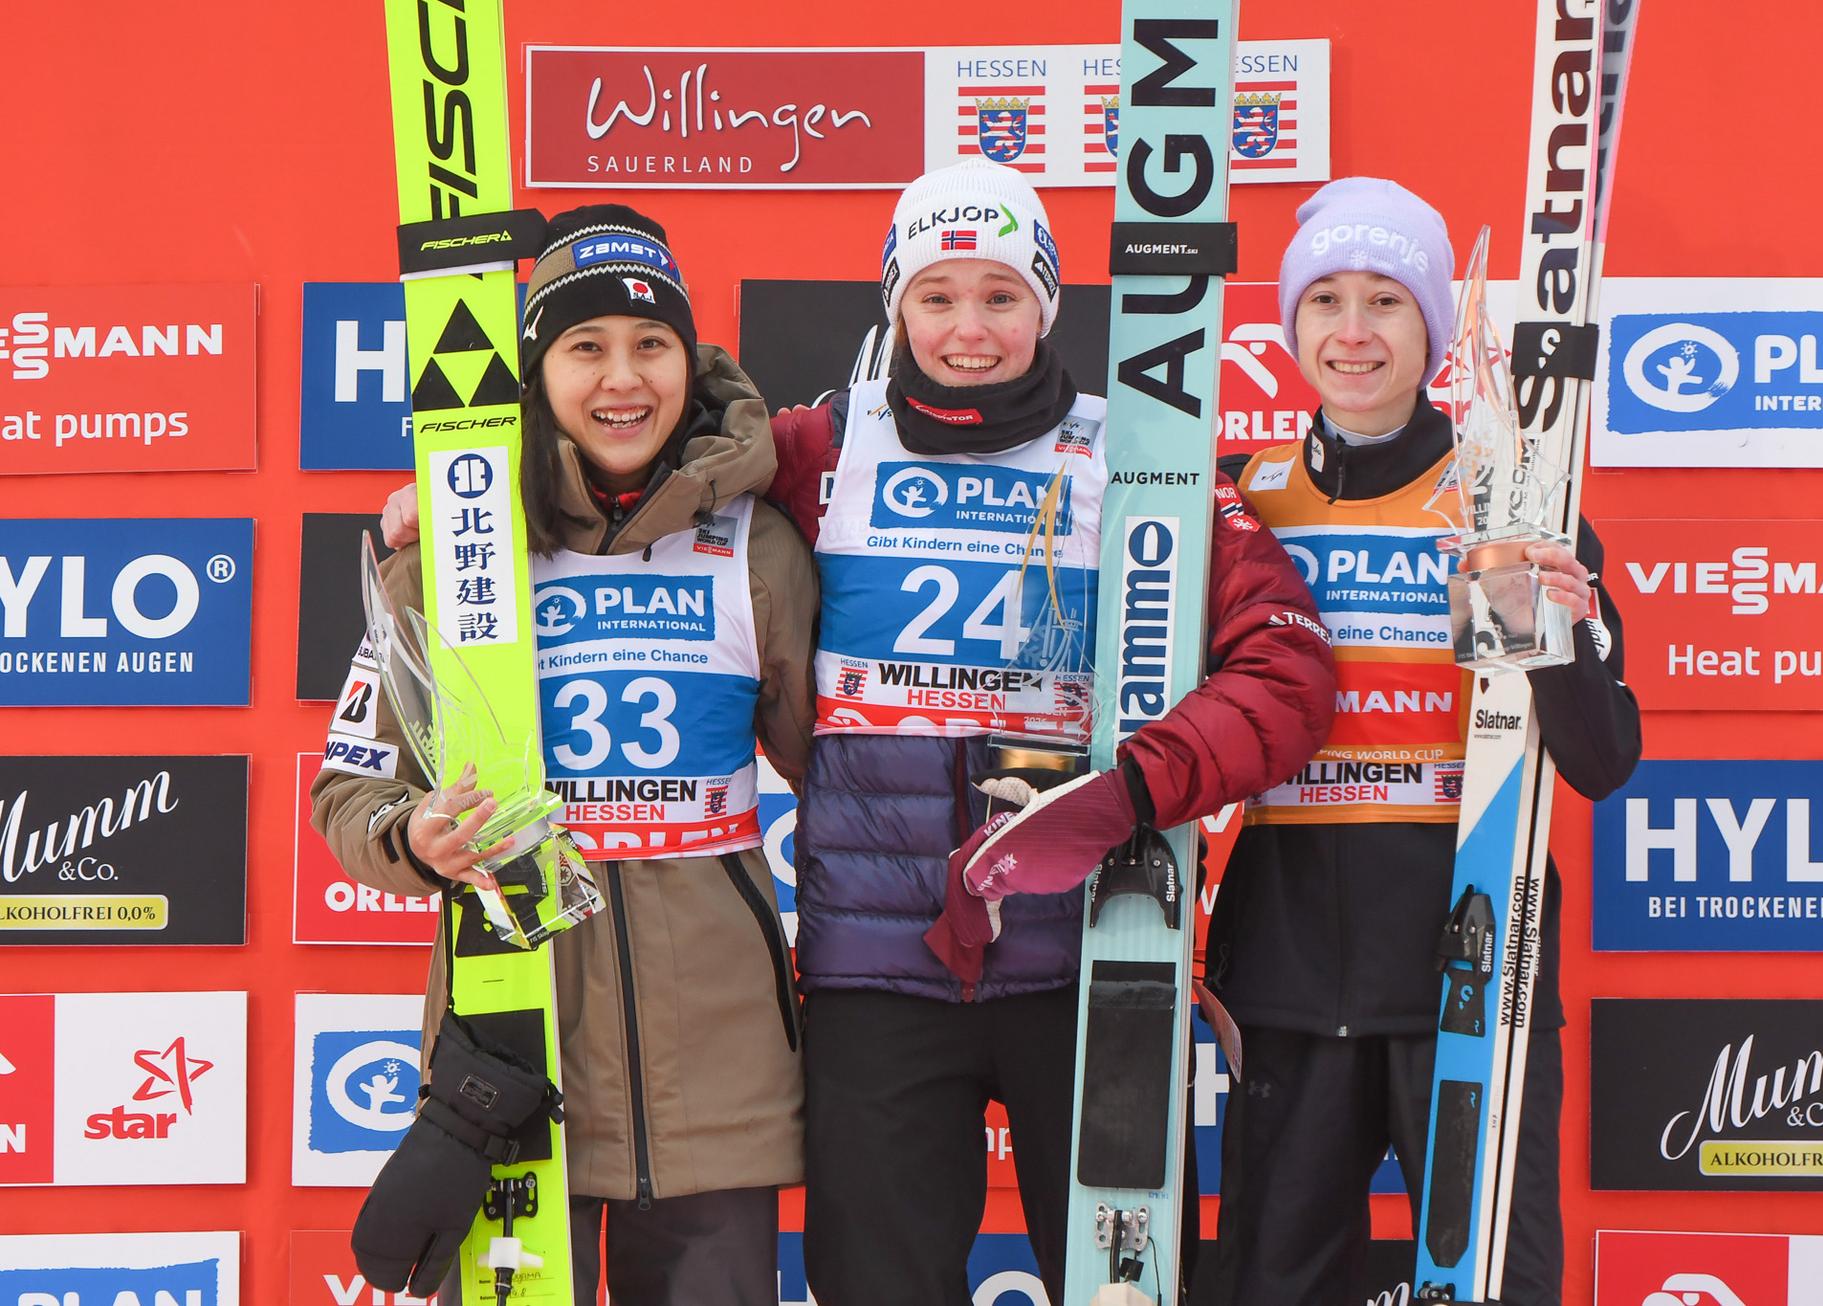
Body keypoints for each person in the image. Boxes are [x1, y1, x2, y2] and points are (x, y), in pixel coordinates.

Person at [766, 158, 1336, 1306]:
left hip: (1090, 958)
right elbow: (635, 475)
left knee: (1124, 1288)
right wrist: (443, 513)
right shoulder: (821, 449)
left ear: (1048, 303)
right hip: (878, 973)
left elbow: (1288, 666)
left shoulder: (1137, 455)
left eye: (1001, 295)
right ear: (896, 307)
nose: (969, 330)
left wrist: (1138, 786)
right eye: (936, 296)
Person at [314, 205, 816, 1306]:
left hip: (720, 1072)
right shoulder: (450, 558)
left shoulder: (757, 546)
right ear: (538, 373)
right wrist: (414, 837)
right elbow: (350, 788)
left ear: (689, 359)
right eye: (585, 347)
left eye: (651, 344)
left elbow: (845, 770)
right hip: (511, 1058)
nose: (622, 379)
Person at [1202, 177, 1643, 1306]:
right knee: (1273, 1283)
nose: (1353, 332)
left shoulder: (1513, 503)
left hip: (1472, 964)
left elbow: (1601, 760)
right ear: (1292, 322)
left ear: (1434, 327)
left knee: (1494, 1279)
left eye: (1387, 301)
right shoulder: (1242, 500)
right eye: (1326, 301)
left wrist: (1550, 630)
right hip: (1286, 976)